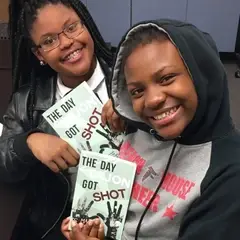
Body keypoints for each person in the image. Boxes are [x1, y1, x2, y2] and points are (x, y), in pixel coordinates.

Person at [0, 0, 122, 239]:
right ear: (39, 54)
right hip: (60, 224)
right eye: (49, 41)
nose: (66, 42)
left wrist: (133, 110)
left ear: (86, 25)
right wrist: (29, 142)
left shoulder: (127, 77)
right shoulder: (28, 102)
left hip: (135, 216)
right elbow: (4, 161)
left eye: (71, 27)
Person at [111, 19, 239, 239]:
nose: (152, 100)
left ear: (203, 75)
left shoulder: (229, 173)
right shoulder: (134, 129)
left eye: (167, 78)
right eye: (137, 91)